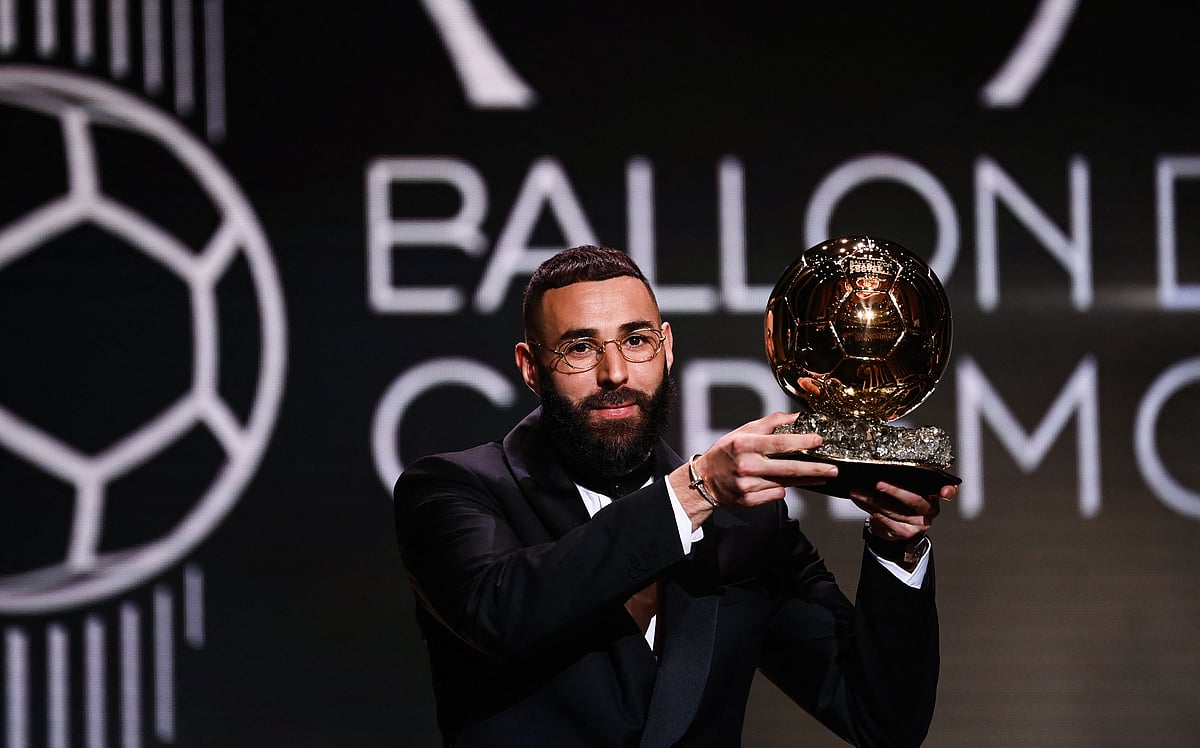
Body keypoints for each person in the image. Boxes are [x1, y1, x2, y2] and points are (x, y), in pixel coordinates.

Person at [393, 245, 955, 747]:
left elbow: (881, 721)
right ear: (530, 368)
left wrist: (896, 543)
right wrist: (697, 489)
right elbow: (504, 614)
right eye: (579, 348)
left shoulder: (749, 528)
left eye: (635, 341)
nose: (615, 372)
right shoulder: (453, 489)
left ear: (666, 347)